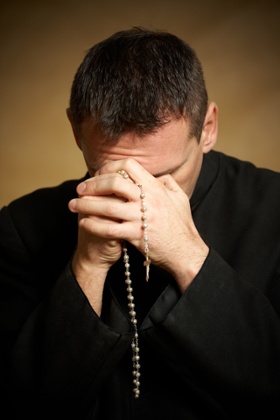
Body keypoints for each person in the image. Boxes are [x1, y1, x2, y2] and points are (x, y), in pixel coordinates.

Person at [1, 27, 280, 420]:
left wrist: (188, 256)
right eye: (108, 168)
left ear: (208, 129)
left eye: (164, 173)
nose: (138, 192)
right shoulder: (21, 227)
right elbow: (24, 407)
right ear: (75, 130)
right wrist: (87, 266)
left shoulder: (273, 209)